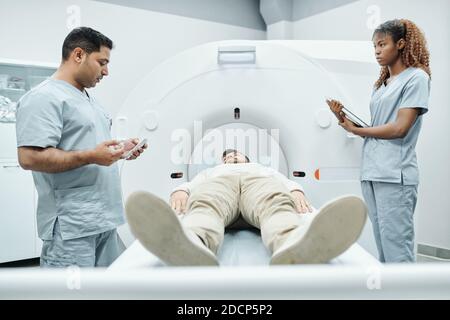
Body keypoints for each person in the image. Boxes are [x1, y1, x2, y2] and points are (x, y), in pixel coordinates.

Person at [15, 27, 147, 267]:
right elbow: (29, 157)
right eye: (102, 62)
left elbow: (90, 149)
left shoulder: (90, 100)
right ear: (78, 55)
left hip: (103, 219)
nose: (106, 71)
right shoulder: (44, 97)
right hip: (71, 227)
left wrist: (120, 149)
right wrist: (92, 156)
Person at [125, 149, 367, 266]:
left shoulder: (262, 169)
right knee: (205, 204)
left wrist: (295, 190)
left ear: (246, 158)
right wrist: (180, 190)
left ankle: (293, 244)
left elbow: (285, 182)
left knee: (276, 202)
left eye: (235, 156)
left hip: (256, 186)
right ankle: (193, 243)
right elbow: (194, 185)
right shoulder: (213, 171)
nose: (231, 159)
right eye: (227, 158)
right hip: (223, 188)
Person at [327, 19, 431, 263]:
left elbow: (399, 128)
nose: (376, 51)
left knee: (397, 247)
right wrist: (345, 120)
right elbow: (378, 125)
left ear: (401, 44)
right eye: (374, 46)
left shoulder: (416, 78)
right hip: (372, 171)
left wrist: (357, 131)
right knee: (383, 245)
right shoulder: (381, 85)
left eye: (382, 44)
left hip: (395, 174)